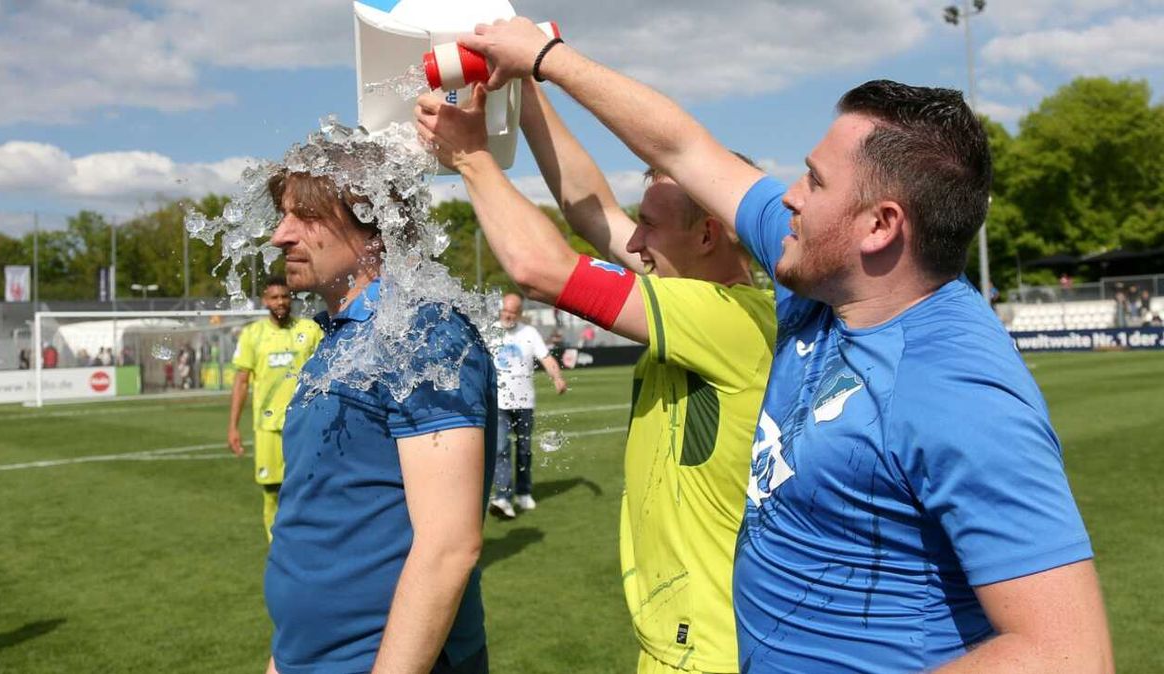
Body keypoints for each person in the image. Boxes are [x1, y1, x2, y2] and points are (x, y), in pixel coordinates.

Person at [457, 20, 1113, 673]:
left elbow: (1068, 653)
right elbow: (687, 150)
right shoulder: (823, 280)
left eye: (815, 182)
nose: (788, 197)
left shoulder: (958, 386)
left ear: (880, 227)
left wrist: (471, 152)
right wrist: (543, 61)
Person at [417, 78, 776, 673]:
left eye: (651, 226)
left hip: (708, 653)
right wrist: (525, 86)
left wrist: (468, 158)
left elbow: (540, 269)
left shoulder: (729, 315)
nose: (634, 241)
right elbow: (591, 209)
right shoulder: (697, 291)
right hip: (680, 642)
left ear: (708, 234)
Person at [263, 162, 496, 673]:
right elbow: (320, 513)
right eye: (283, 217)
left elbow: (448, 546)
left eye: (305, 216)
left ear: (375, 228)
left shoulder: (422, 333)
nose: (281, 236)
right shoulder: (338, 338)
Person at [228, 276, 323, 541]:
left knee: (309, 486)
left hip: (305, 424)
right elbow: (241, 382)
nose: (280, 302)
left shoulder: (310, 330)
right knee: (271, 489)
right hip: (268, 427)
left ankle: (308, 540)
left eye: (284, 296)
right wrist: (233, 427)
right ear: (264, 301)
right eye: (274, 297)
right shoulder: (252, 335)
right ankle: (277, 545)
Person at [486, 292, 568, 519]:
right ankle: (503, 497)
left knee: (524, 450)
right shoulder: (489, 331)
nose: (508, 316)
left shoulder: (529, 333)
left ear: (520, 314)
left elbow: (546, 358)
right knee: (501, 448)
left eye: (513, 312)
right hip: (499, 402)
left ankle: (524, 491)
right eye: (505, 311)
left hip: (524, 402)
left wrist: (557, 377)